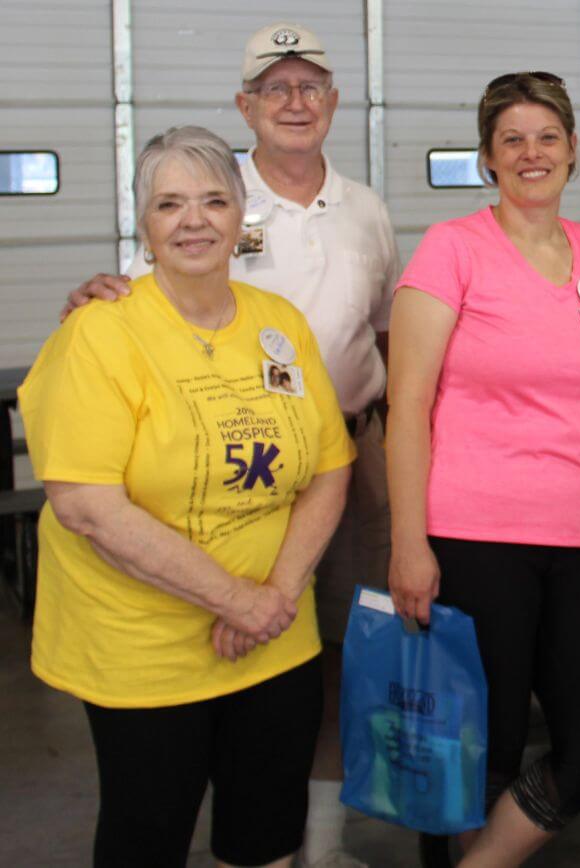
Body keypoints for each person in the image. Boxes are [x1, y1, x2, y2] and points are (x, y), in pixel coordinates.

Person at [61, 23, 400, 866]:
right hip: (223, 473)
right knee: (232, 668)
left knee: (341, 659)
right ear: (245, 104)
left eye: (310, 86)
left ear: (332, 101)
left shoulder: (365, 208)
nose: (294, 102)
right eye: (274, 87)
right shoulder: (210, 183)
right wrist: (98, 293)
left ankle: (312, 841)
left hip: (344, 457)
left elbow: (388, 336)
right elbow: (158, 282)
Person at [19, 126, 354, 868]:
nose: (193, 220)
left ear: (242, 218)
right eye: (169, 204)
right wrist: (235, 600)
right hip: (143, 650)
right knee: (148, 833)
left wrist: (274, 594)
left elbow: (330, 466)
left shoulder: (280, 326)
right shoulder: (100, 334)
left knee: (266, 829)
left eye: (213, 201)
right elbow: (86, 506)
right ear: (144, 224)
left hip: (275, 636)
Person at [385, 71, 580, 866]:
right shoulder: (453, 248)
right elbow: (408, 409)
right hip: (470, 535)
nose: (532, 154)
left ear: (573, 151)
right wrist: (408, 544)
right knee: (472, 752)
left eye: (548, 137)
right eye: (512, 140)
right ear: (488, 159)